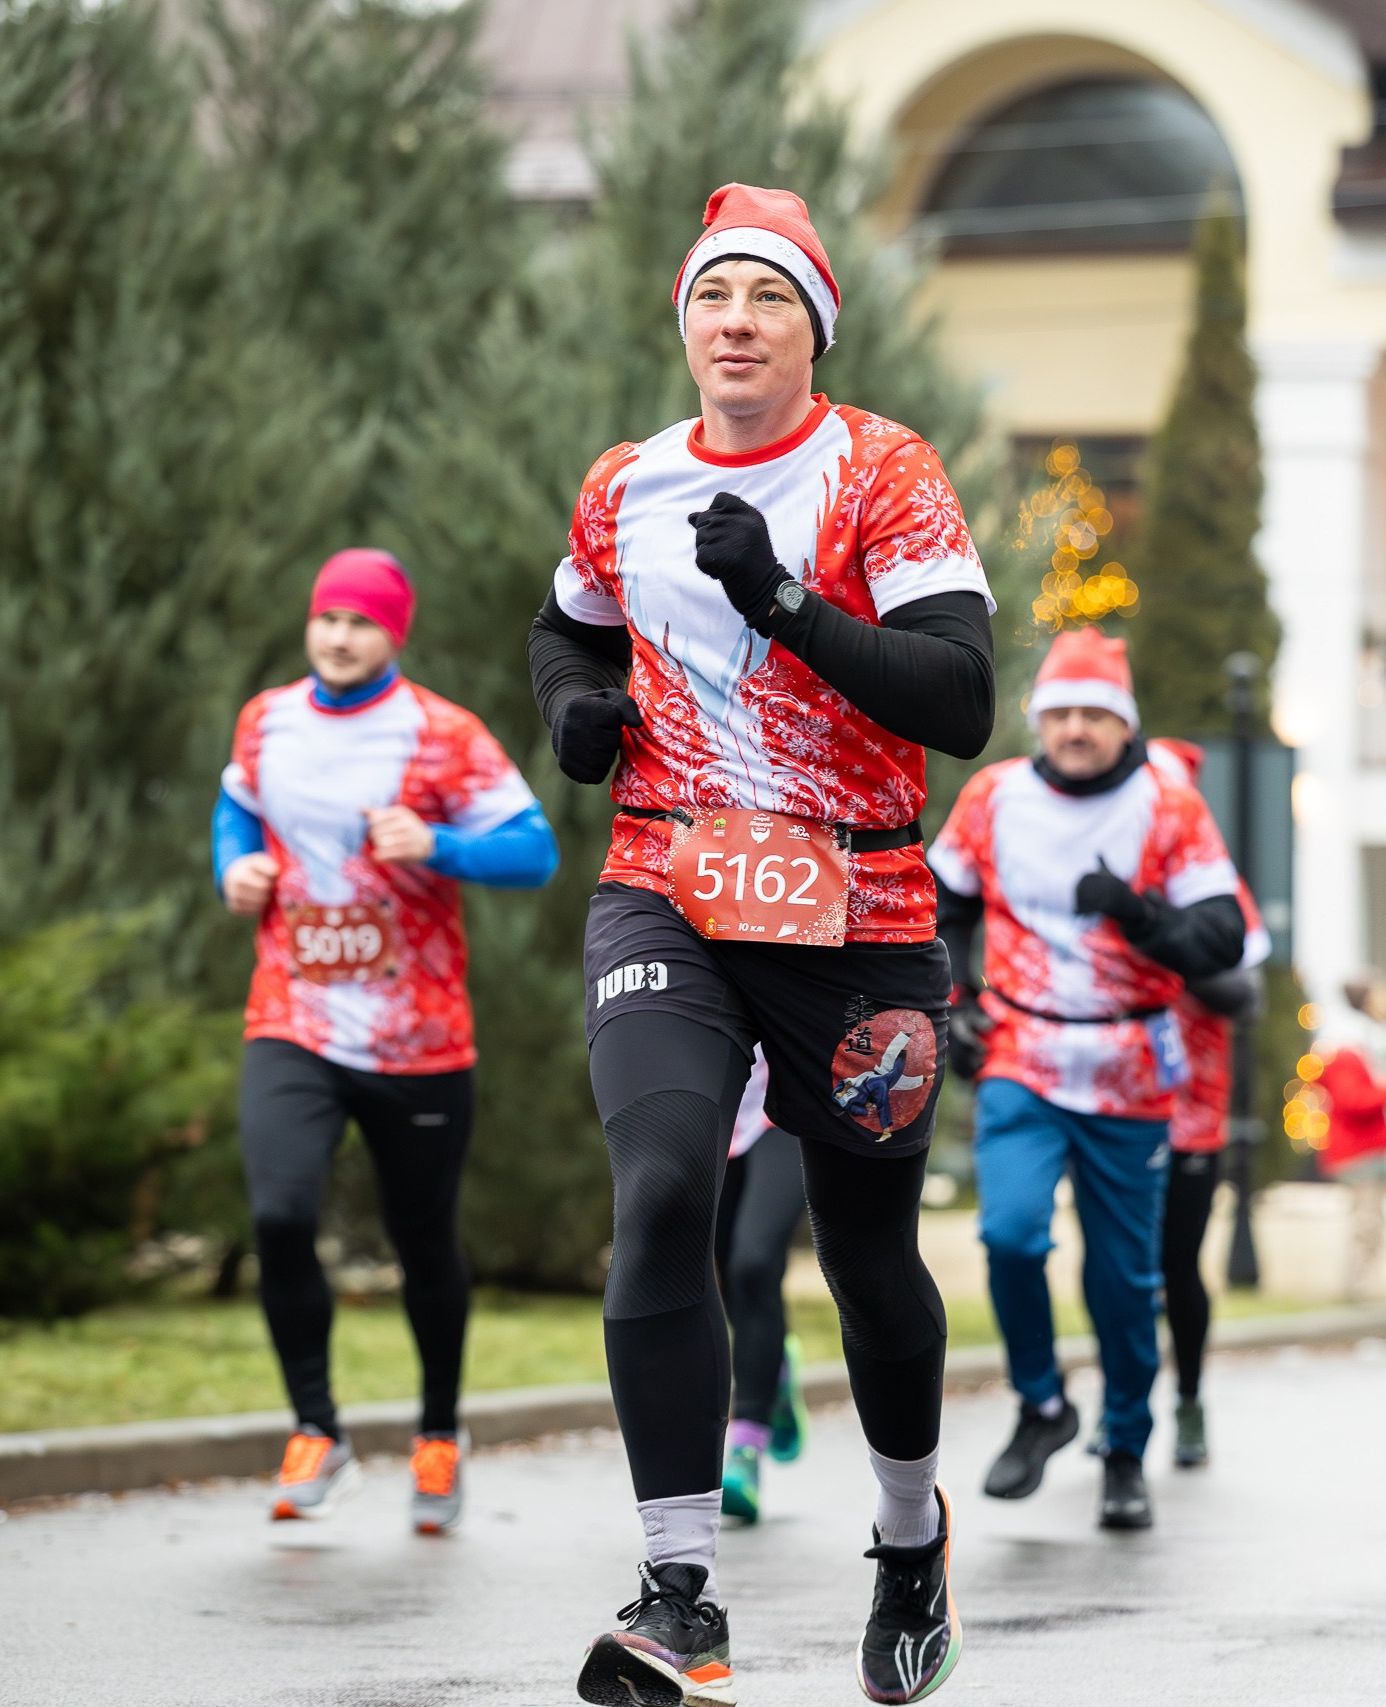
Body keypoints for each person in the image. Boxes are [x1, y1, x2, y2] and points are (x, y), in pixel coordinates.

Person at [527, 182, 994, 1707]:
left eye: (768, 300)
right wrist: (577, 710)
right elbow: (570, 623)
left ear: (814, 331)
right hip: (667, 883)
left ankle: (912, 1536)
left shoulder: (885, 473)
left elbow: (960, 697)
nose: (735, 323)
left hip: (857, 916)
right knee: (663, 1188)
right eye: (713, 299)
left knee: (864, 1253)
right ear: (686, 325)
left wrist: (782, 599)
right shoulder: (629, 479)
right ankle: (679, 1593)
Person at [214, 548, 559, 1534]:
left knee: (423, 1241)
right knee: (280, 1216)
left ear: (392, 633)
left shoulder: (442, 735)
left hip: (419, 1039)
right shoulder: (267, 718)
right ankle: (316, 1430)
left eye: (361, 622)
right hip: (295, 1016)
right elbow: (236, 806)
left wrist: (437, 845)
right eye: (327, 617)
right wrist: (235, 867)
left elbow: (534, 851)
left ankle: (440, 1434)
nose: (339, 636)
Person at [930, 628, 1250, 1532]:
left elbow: (1224, 940)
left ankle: (1123, 1445)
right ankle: (1042, 1405)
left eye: (1095, 715)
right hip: (1023, 1059)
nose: (1075, 729)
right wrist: (955, 997)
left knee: (1123, 1278)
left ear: (1124, 724)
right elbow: (943, 899)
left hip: (1128, 1070)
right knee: (1011, 1233)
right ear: (1039, 721)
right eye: (1060, 712)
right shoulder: (993, 796)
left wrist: (1139, 912)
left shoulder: (1169, 803)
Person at [1145, 737, 1270, 1468]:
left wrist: (1162, 932)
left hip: (1190, 1113)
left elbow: (1244, 993)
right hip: (1107, 1102)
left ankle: (1188, 1398)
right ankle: (1122, 1407)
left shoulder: (1213, 889)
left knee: (1177, 1265)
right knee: (1117, 1268)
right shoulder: (1100, 870)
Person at [717, 1055, 811, 1523]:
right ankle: (774, 1370)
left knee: (754, 1264)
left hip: (789, 1103)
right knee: (726, 1275)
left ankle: (745, 1451)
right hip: (714, 1103)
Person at [1314, 971, 1386, 1300]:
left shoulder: (1375, 1043)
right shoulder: (1346, 1049)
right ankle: (1355, 1289)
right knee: (1366, 1223)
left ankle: (1362, 1287)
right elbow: (1352, 1100)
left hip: (1373, 1147)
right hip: (1357, 1149)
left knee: (1375, 1222)